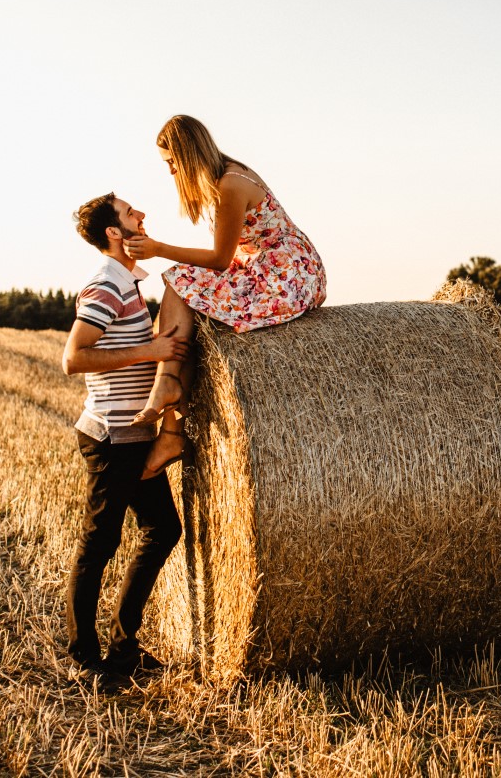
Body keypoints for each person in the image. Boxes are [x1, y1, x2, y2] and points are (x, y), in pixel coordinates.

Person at [123, 115, 327, 477]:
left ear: (187, 156)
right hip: (271, 268)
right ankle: (171, 418)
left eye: (171, 162)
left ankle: (168, 400)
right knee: (186, 307)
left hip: (287, 275)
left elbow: (219, 260)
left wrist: (157, 248)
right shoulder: (228, 173)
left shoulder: (231, 185)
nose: (170, 171)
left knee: (180, 280)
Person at [59, 192, 187, 686]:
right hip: (112, 436)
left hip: (134, 433)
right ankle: (84, 656)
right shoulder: (106, 285)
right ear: (114, 232)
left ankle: (123, 642)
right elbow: (74, 358)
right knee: (101, 541)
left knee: (163, 530)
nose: (142, 217)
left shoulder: (128, 282)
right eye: (132, 214)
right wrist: (149, 349)